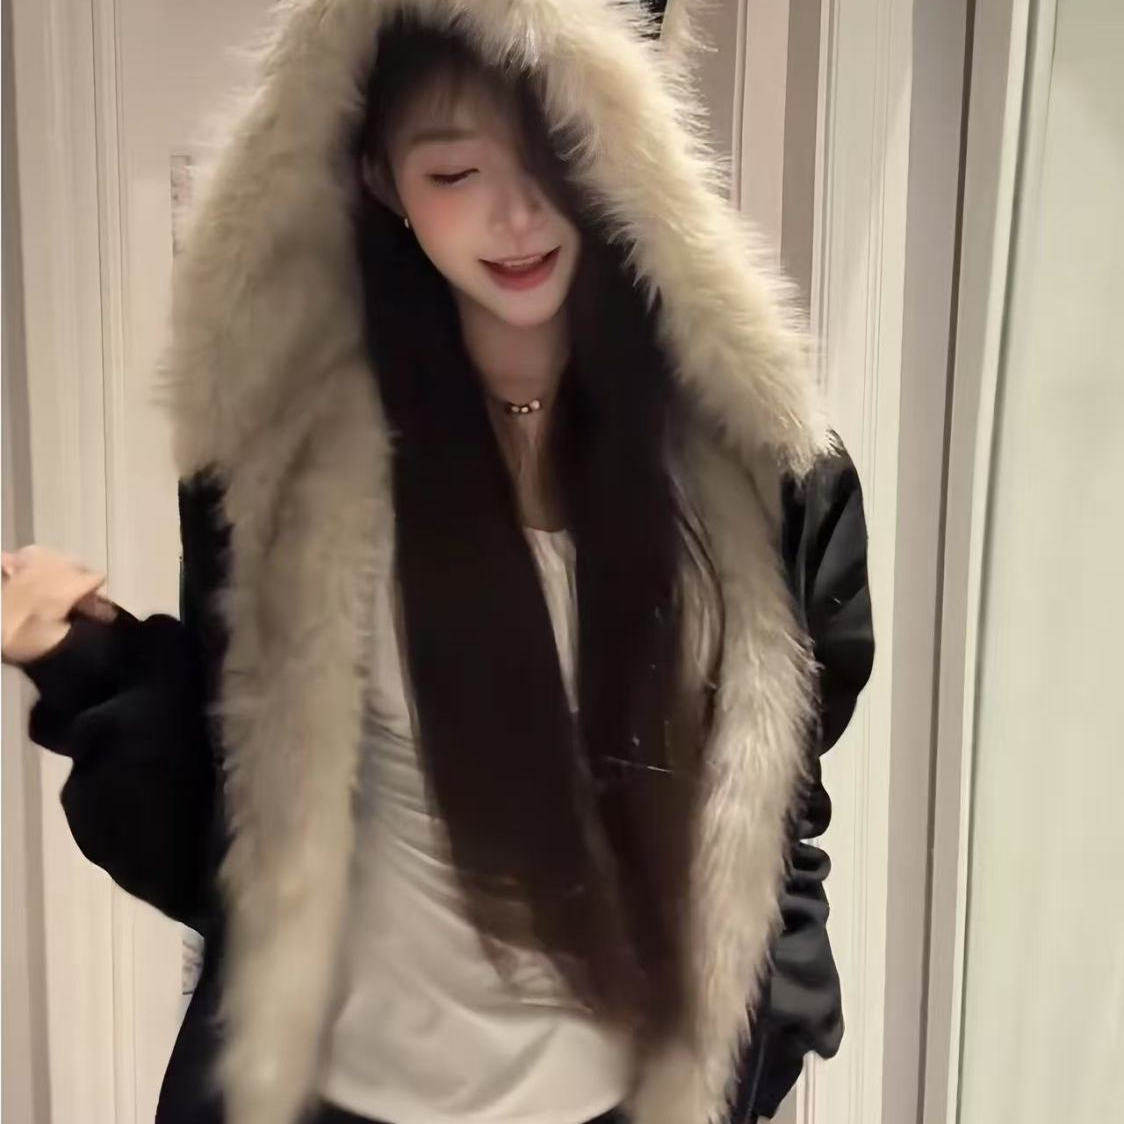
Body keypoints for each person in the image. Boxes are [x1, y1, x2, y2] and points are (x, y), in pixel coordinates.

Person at [1, 3, 874, 1123]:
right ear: (381, 177)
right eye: (457, 171)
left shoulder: (758, 479)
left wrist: (765, 1040)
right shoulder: (288, 472)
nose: (518, 213)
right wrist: (87, 664)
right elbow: (241, 824)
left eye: (560, 148)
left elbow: (776, 820)